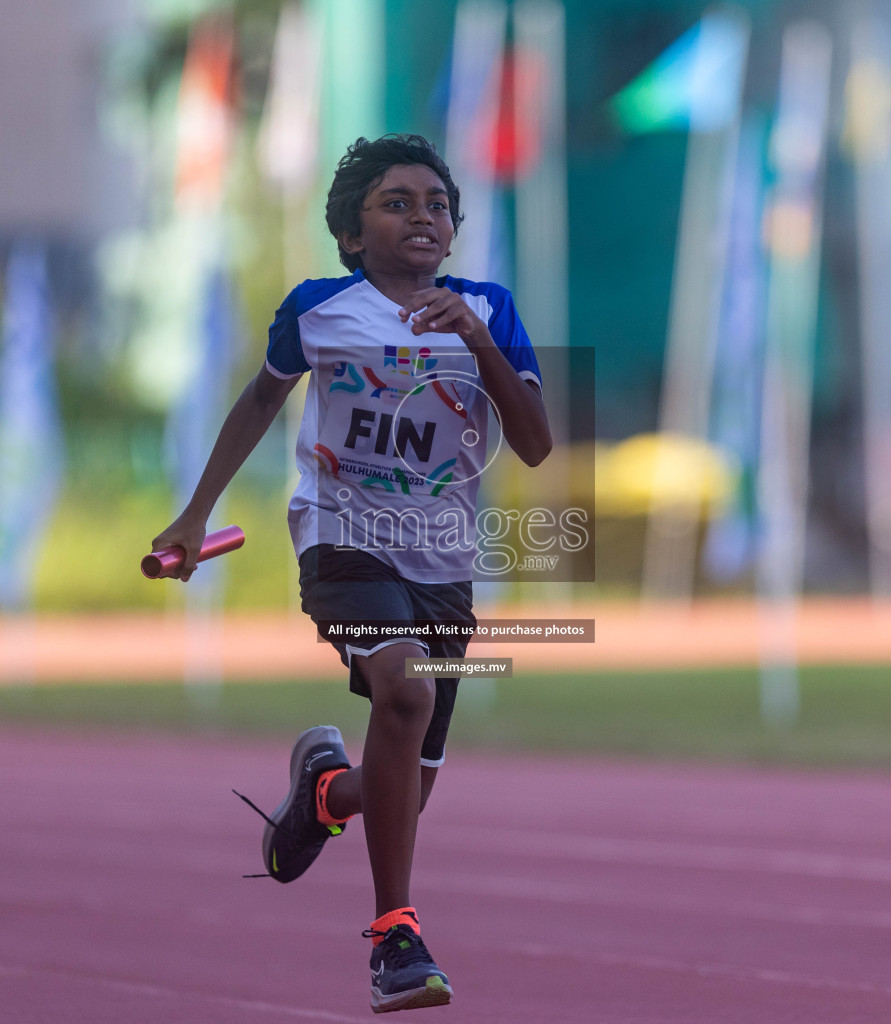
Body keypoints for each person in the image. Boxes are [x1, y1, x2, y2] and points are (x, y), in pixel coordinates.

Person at [151, 133, 550, 1014]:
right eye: (396, 202)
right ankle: (395, 939)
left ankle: (326, 791)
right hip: (341, 536)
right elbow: (262, 400)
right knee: (404, 692)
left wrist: (479, 341)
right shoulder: (320, 310)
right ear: (351, 233)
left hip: (442, 558)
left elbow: (534, 442)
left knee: (407, 783)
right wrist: (196, 512)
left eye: (436, 204)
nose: (422, 215)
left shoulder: (489, 306)